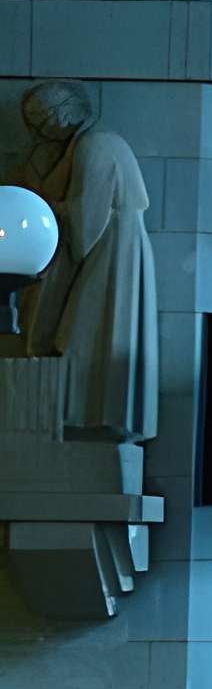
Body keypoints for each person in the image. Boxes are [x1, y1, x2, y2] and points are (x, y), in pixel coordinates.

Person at [3, 80, 158, 441]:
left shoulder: (96, 146)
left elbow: (86, 220)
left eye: (42, 118)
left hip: (109, 254)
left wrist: (42, 211)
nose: (38, 129)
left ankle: (91, 415)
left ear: (67, 112)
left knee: (90, 333)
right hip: (111, 248)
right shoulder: (86, 145)